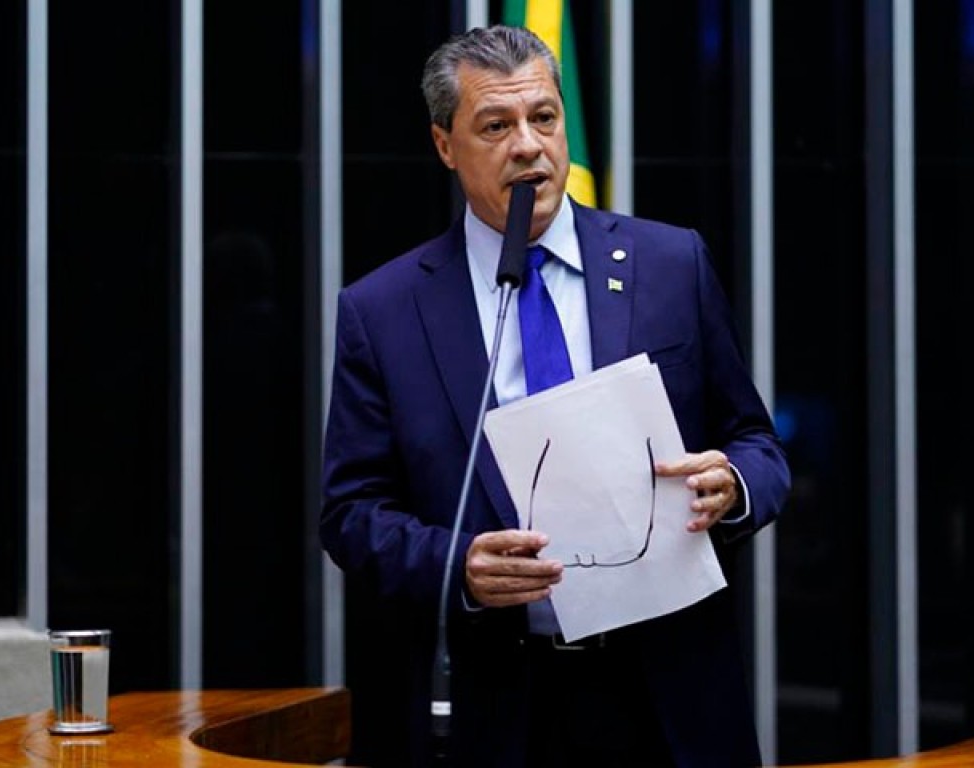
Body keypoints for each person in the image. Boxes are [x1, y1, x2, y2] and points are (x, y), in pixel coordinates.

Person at [320, 24, 790, 768]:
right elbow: (351, 513)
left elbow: (758, 445)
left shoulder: (670, 263)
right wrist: (459, 564)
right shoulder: (384, 311)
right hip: (495, 703)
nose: (528, 146)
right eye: (495, 126)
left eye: (543, 117)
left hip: (668, 696)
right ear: (445, 145)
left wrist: (731, 485)